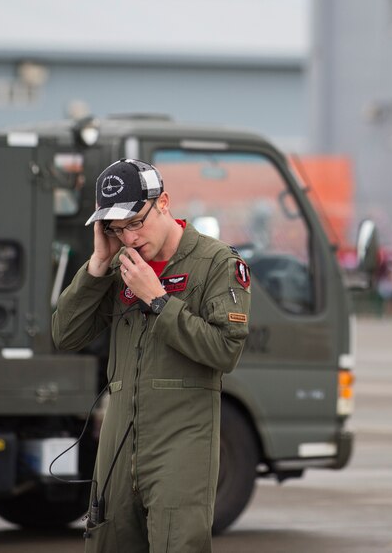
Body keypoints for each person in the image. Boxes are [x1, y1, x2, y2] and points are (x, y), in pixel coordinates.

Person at [51, 158, 251, 552]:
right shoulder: (118, 265)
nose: (129, 238)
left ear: (163, 203)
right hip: (118, 443)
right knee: (107, 540)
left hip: (181, 443)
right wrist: (97, 265)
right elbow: (66, 335)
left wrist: (158, 301)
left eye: (135, 223)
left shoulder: (216, 264)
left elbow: (225, 349)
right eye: (116, 228)